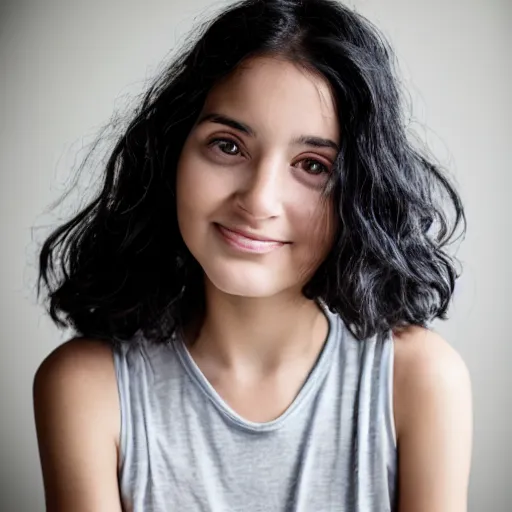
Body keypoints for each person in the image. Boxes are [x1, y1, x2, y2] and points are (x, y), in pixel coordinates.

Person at [33, 0, 472, 510]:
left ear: (361, 193)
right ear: (172, 152)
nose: (259, 200)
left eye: (312, 165)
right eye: (228, 146)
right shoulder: (87, 388)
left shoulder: (417, 379)